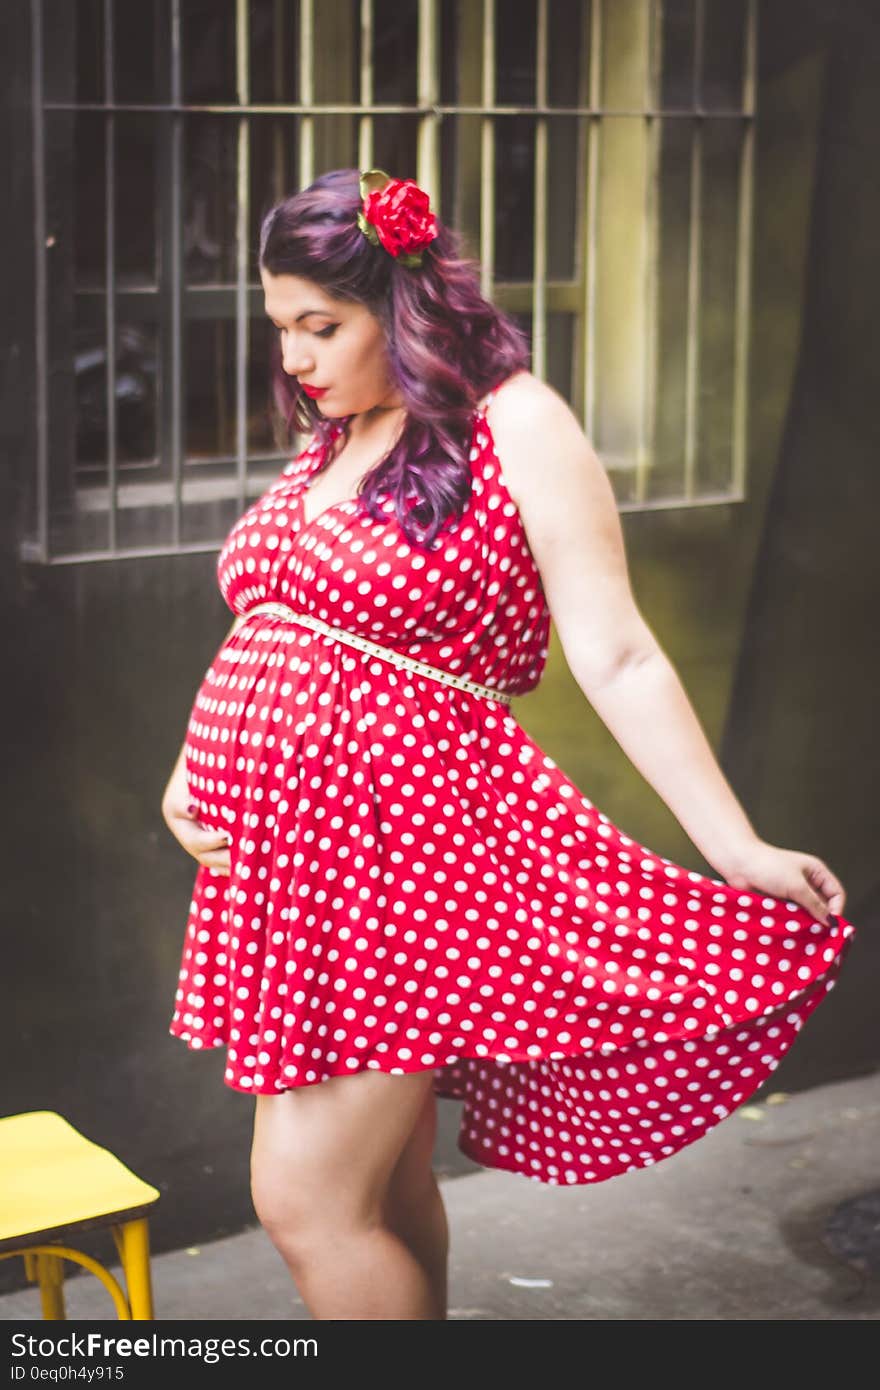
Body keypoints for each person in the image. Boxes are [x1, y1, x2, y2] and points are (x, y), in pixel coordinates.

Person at [161, 167, 855, 1321]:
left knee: (306, 1203)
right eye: (279, 327)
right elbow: (274, 623)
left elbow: (619, 653)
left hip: (407, 862)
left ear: (407, 304)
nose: (293, 359)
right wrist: (197, 767)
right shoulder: (333, 439)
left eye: (320, 327)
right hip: (296, 878)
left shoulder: (513, 421)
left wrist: (732, 844)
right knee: (380, 1188)